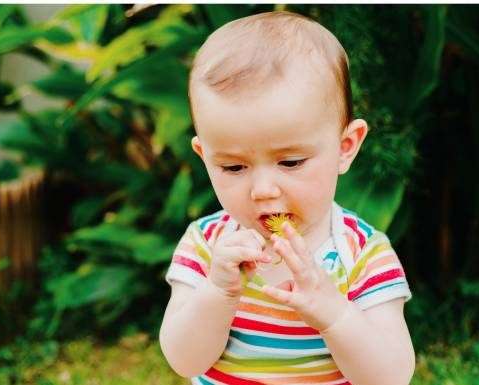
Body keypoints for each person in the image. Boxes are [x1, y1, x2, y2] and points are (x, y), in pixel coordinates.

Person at [159, 11, 415, 385]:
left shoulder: (363, 256)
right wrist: (217, 291)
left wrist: (335, 315)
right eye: (233, 167)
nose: (263, 190)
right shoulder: (206, 247)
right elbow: (183, 360)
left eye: (290, 162)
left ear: (345, 148)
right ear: (204, 157)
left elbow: (391, 378)